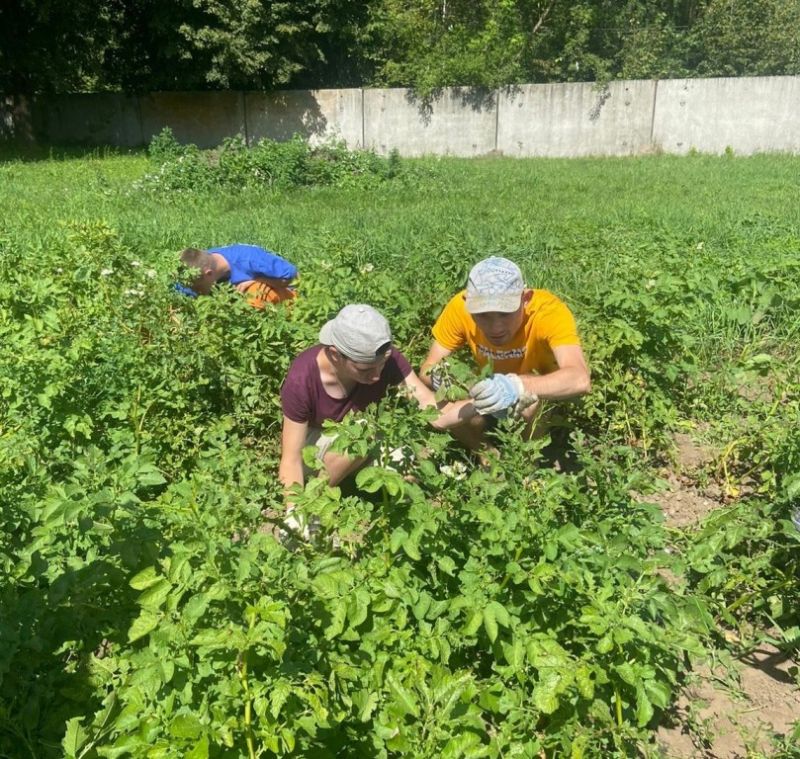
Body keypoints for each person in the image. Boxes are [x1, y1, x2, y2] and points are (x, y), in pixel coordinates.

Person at [279, 304, 477, 496]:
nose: (376, 376)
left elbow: (434, 412)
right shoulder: (302, 378)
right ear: (335, 355)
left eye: (381, 365)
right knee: (364, 432)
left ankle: (351, 483)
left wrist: (480, 404)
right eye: (365, 369)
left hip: (360, 435)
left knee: (409, 470)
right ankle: (314, 501)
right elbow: (291, 459)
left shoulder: (386, 360)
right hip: (315, 445)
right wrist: (293, 511)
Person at [419, 256, 590, 448]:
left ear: (525, 299)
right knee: (444, 400)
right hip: (484, 386)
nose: (496, 327)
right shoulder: (459, 308)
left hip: (534, 390)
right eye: (483, 315)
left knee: (532, 403)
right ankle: (486, 454)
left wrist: (516, 385)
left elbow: (579, 378)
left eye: (505, 313)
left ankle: (525, 460)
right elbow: (428, 367)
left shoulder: (548, 312)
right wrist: (454, 383)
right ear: (468, 302)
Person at [177, 243, 298, 307]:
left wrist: (257, 279)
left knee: (255, 292)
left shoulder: (250, 259)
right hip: (233, 300)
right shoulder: (196, 268)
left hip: (286, 291)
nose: (196, 292)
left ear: (209, 274)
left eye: (198, 288)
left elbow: (289, 275)